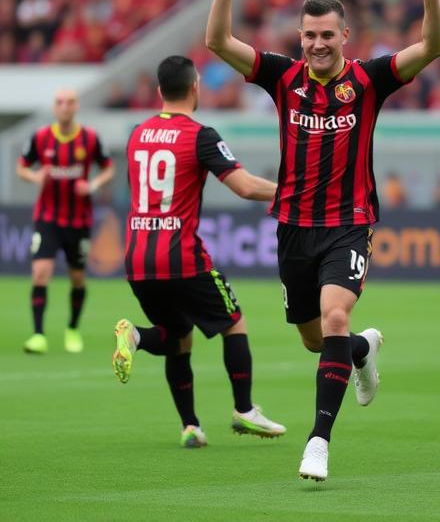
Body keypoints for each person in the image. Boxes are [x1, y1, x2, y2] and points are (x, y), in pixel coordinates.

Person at [206, 0, 440, 480]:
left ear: (345, 37)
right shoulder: (282, 77)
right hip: (293, 227)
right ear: (300, 37)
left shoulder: (370, 80)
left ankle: (318, 441)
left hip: (349, 223)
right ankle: (361, 351)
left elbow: (432, 46)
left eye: (327, 36)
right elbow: (217, 42)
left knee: (335, 316)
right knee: (318, 340)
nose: (317, 44)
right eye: (310, 35)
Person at [112, 55, 286, 448]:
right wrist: (291, 192)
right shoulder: (200, 135)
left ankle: (188, 423)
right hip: (181, 255)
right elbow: (244, 186)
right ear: (195, 88)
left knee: (176, 337)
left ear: (160, 90)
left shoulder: (137, 134)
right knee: (234, 322)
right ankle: (244, 410)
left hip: (137, 257)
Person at [17, 89, 115, 354]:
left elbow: (109, 168)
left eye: (69, 102)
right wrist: (35, 177)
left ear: (76, 106)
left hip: (78, 220)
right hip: (47, 218)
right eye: (60, 102)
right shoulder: (41, 137)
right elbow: (21, 166)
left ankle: (72, 328)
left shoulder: (90, 138)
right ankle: (38, 335)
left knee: (77, 278)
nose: (64, 107)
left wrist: (92, 185)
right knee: (40, 272)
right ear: (54, 107)